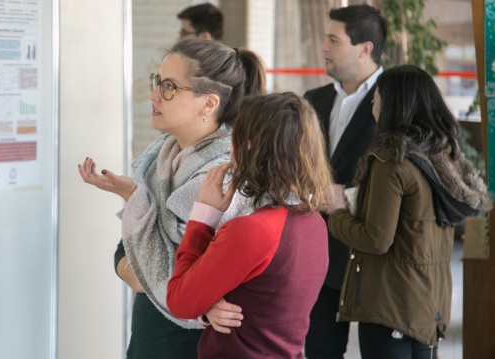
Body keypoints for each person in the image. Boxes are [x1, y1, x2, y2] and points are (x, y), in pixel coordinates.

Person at [79, 39, 266, 359]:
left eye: (169, 87)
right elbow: (129, 257)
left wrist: (134, 201)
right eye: (157, 82)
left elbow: (170, 276)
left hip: (192, 346)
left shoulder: (225, 175)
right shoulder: (158, 160)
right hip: (151, 338)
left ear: (208, 103)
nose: (154, 95)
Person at [327, 65, 490, 358]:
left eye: (376, 97)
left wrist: (337, 212)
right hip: (429, 304)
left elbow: (376, 239)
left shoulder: (392, 160)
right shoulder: (440, 156)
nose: (373, 104)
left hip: (392, 305)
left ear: (393, 104)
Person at [166, 92, 332, 358]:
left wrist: (203, 218)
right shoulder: (315, 224)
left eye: (236, 135)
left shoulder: (253, 230)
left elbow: (179, 301)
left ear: (250, 146)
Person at [302, 4, 387, 358]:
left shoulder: (399, 99)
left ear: (365, 48)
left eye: (333, 40)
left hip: (378, 257)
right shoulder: (314, 100)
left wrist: (348, 197)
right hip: (319, 256)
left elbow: (411, 173)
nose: (323, 47)